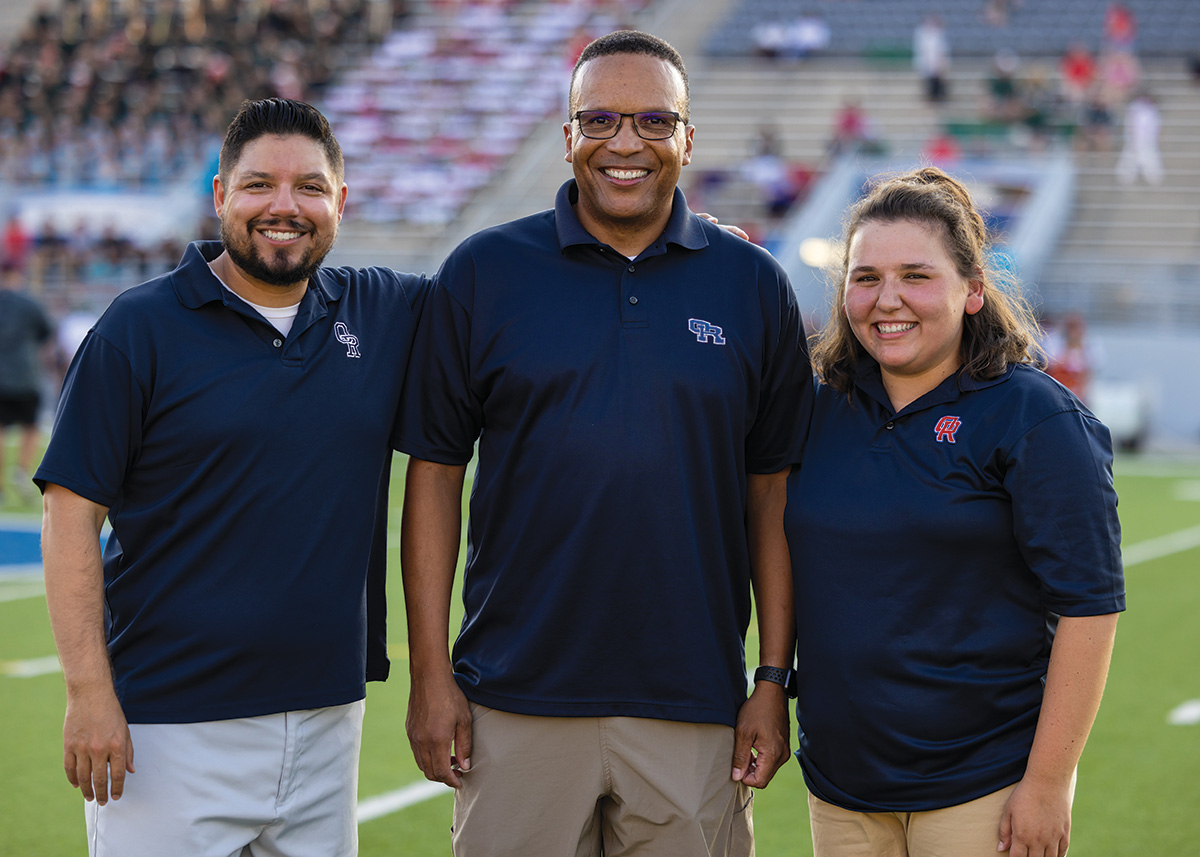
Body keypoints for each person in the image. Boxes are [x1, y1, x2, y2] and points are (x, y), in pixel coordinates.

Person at [396, 29, 813, 856]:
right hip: (514, 701)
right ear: (567, 138)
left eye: (655, 122)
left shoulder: (753, 284)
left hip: (693, 703)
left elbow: (775, 496)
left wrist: (772, 678)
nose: (626, 143)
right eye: (601, 120)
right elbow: (435, 475)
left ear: (688, 139)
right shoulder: (484, 271)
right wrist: (430, 671)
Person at [34, 98, 430, 857]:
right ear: (219, 195)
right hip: (168, 725)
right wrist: (88, 692)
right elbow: (70, 512)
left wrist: (695, 252)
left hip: (326, 719)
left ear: (340, 203)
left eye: (310, 187)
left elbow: (508, 292)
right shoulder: (138, 328)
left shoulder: (383, 311)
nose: (285, 206)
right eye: (258, 185)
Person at [785, 167, 1124, 857]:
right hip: (840, 790)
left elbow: (1090, 607)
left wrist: (1049, 782)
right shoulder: (816, 409)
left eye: (916, 275)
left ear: (973, 289)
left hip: (984, 790)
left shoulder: (1035, 417)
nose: (888, 300)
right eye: (866, 277)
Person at [0, 261, 52, 505]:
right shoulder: (30, 304)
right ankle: (21, 472)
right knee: (30, 427)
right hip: (25, 375)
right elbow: (46, 333)